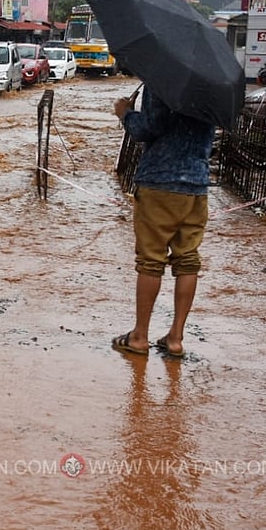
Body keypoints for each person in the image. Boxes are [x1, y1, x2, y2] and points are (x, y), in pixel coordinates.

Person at [111, 85, 216, 359]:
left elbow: (148, 128)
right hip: (197, 184)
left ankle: (139, 336)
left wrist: (125, 114)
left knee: (150, 259)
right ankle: (176, 338)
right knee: (188, 260)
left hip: (159, 181)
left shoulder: (162, 83)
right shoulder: (214, 87)